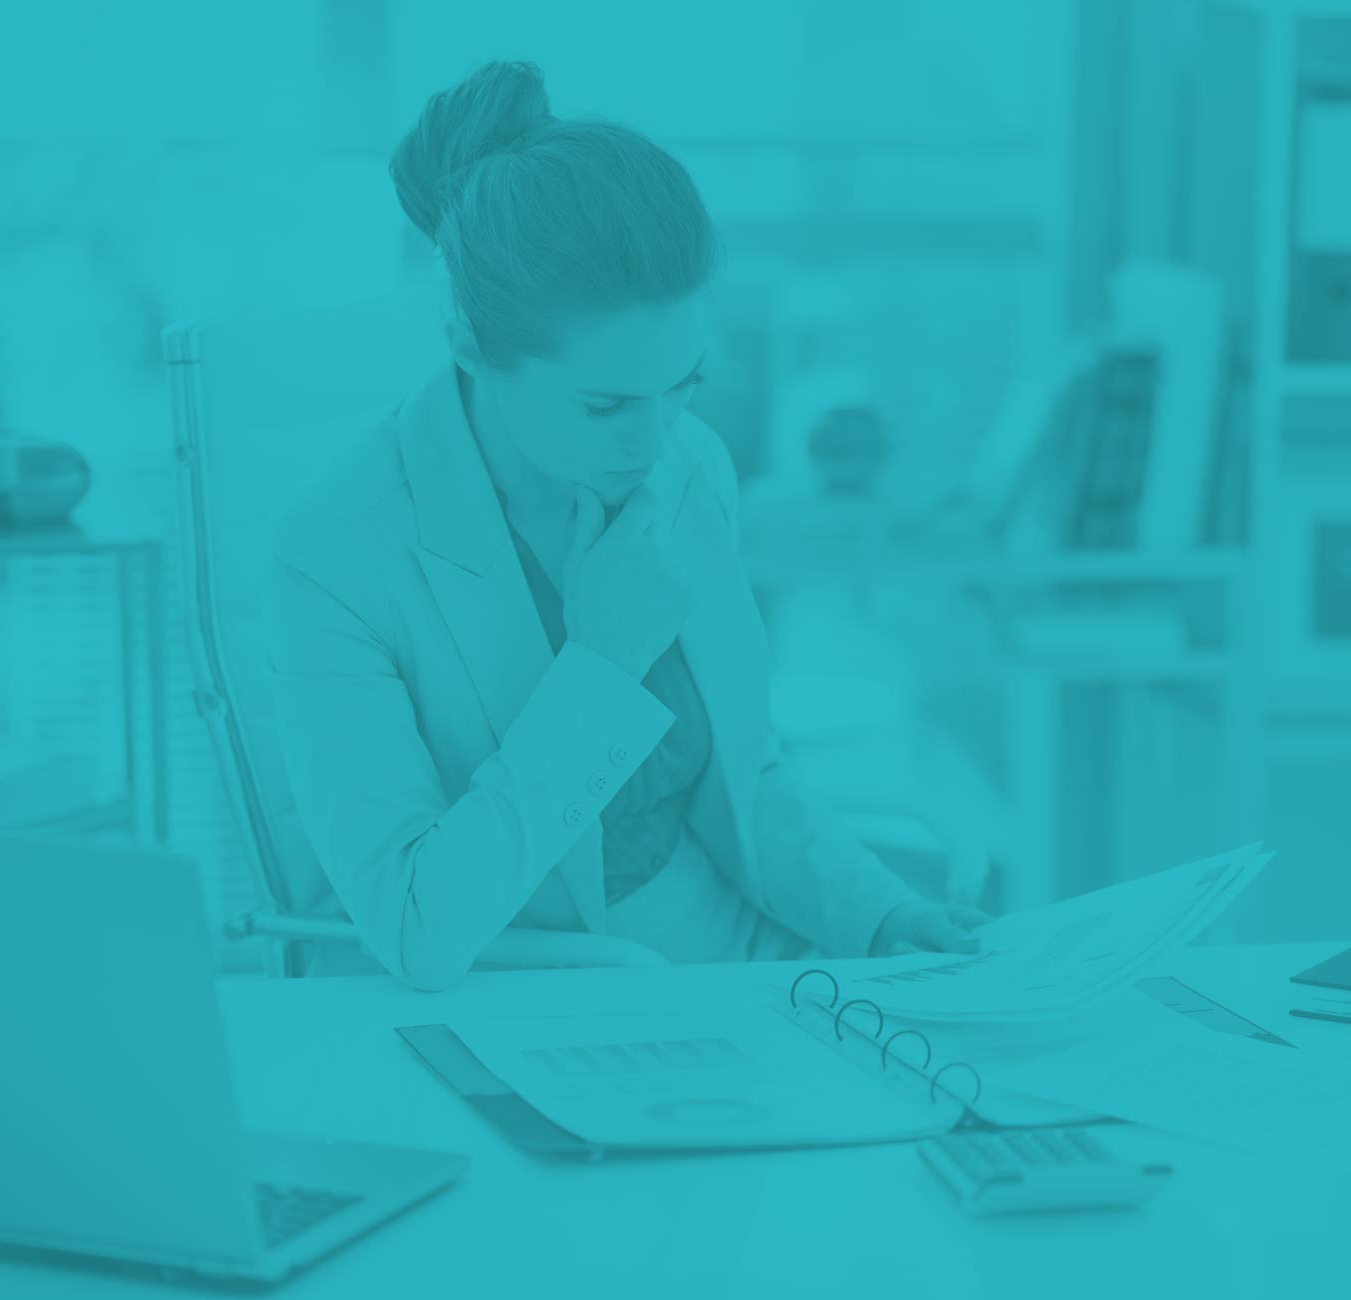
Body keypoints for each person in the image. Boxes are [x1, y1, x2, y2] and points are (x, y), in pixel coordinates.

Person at [266, 60, 985, 990]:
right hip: (547, 991)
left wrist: (879, 915)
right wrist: (601, 664)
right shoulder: (336, 556)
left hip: (749, 958)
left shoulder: (690, 464)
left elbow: (745, 779)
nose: (652, 444)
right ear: (469, 346)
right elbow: (415, 927)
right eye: (604, 406)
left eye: (683, 385)